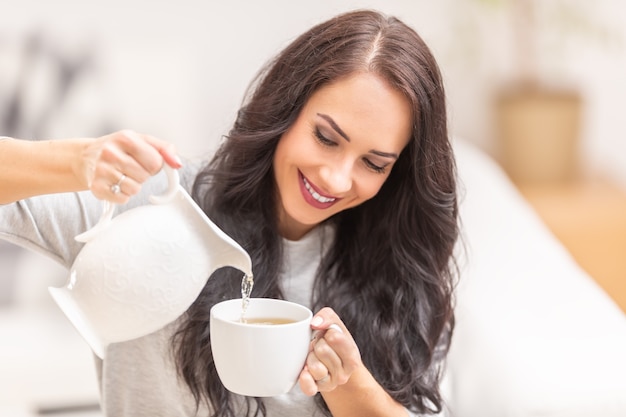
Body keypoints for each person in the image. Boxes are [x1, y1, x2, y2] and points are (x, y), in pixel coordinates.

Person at [0, 9, 458, 417]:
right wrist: (75, 162)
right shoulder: (153, 204)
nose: (337, 179)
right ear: (287, 108)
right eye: (326, 137)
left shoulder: (399, 271)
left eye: (374, 164)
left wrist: (350, 387)